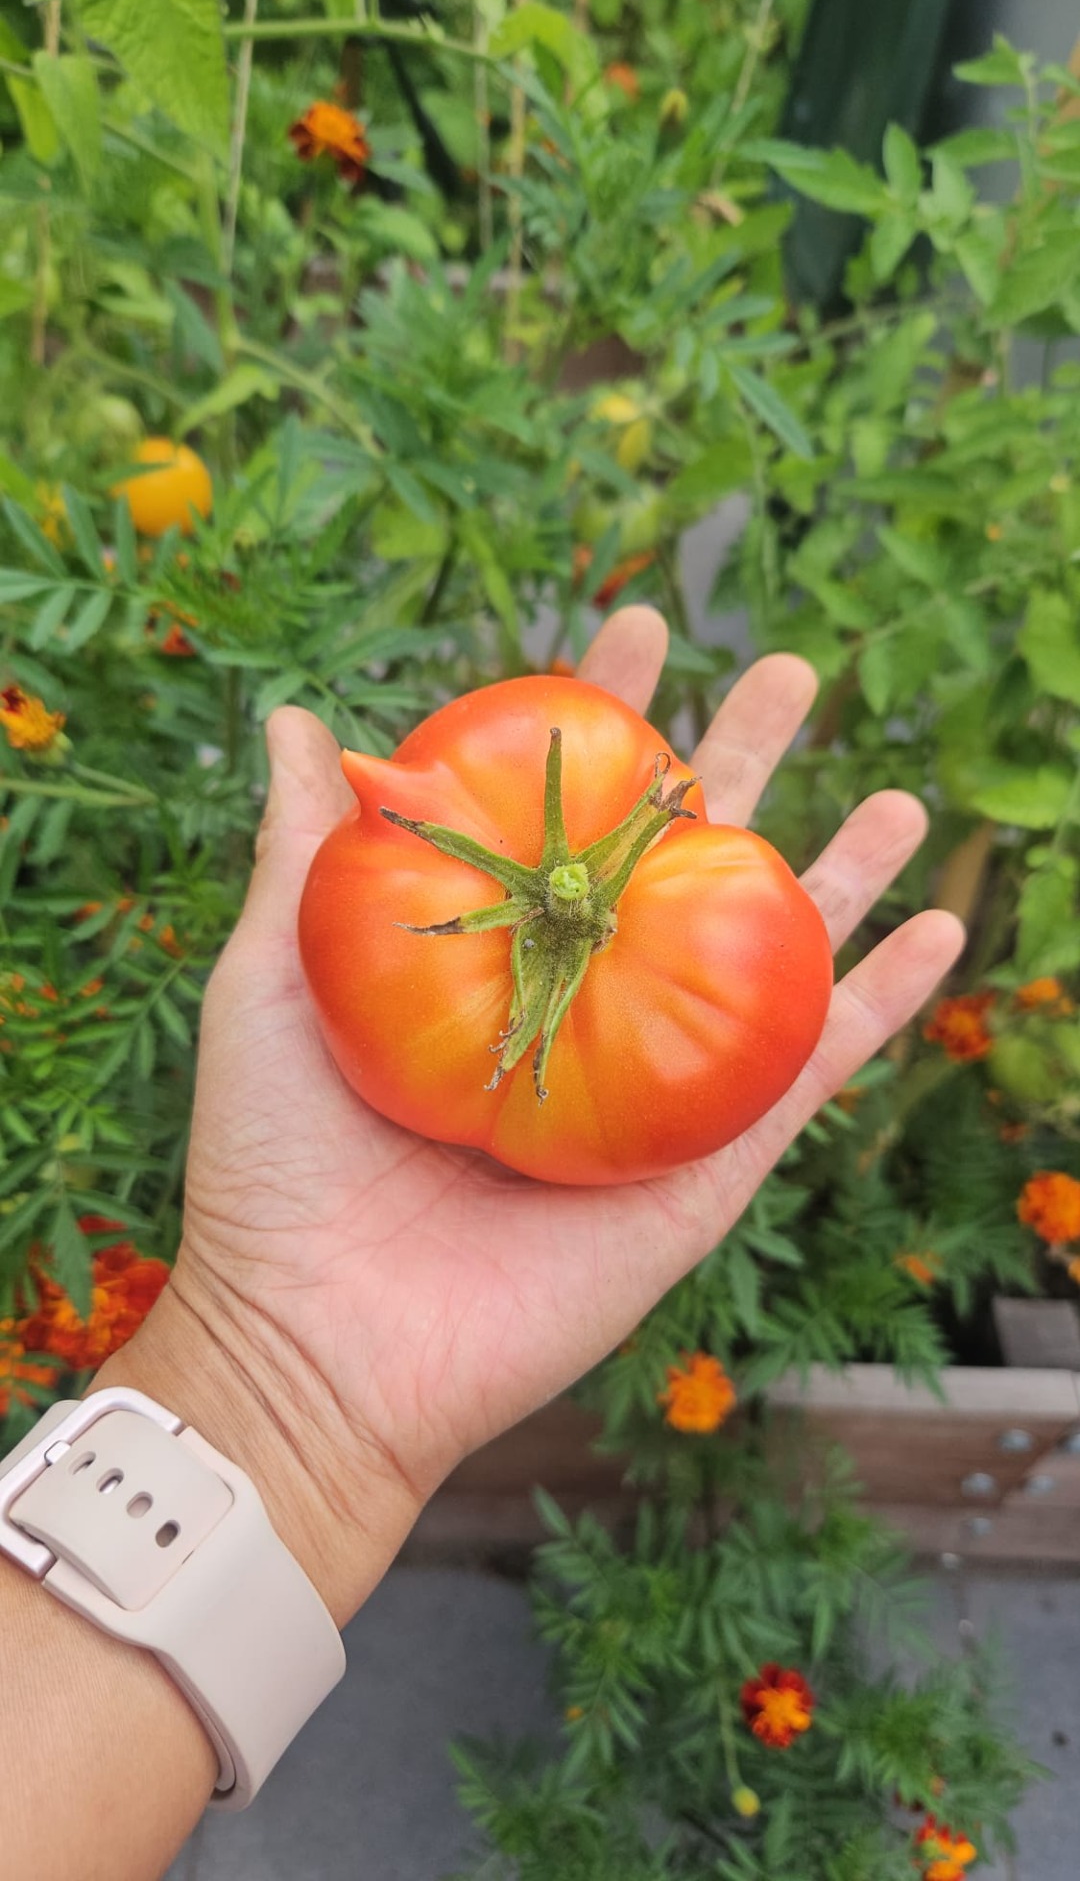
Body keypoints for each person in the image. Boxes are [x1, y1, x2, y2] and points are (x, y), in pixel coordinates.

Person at [0, 606, 964, 1881]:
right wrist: (268, 1394)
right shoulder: (564, 895)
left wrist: (266, 1398)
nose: (571, 888)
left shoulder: (458, 857)